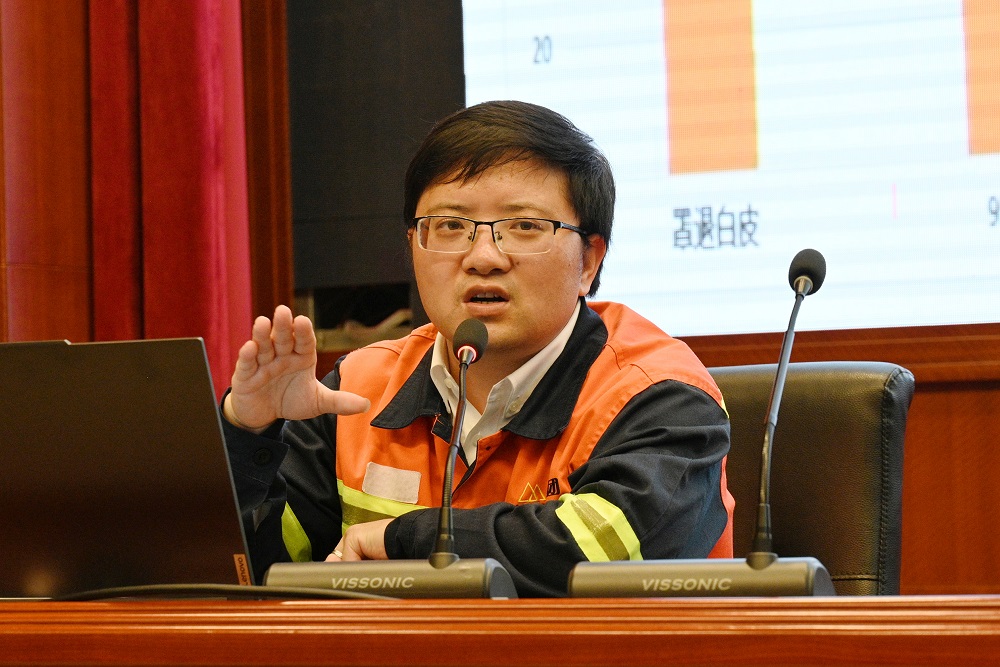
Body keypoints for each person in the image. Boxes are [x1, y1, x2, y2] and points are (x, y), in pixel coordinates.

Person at [222, 100, 734, 597]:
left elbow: (607, 554)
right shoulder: (360, 389)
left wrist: (403, 541)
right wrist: (248, 436)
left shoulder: (659, 394)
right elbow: (252, 575)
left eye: (524, 227)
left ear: (588, 262)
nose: (483, 257)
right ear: (412, 247)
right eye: (450, 226)